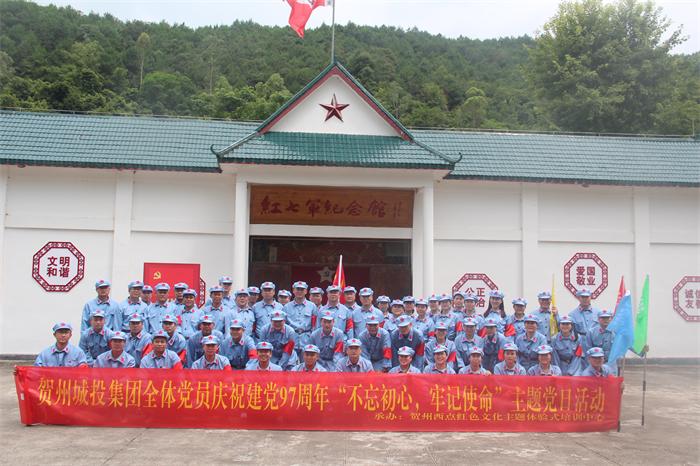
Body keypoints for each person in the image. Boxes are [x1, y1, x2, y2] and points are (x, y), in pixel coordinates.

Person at [284, 281, 317, 350]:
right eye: (297, 289)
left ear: (306, 291)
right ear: (293, 290)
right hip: (291, 339)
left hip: (307, 339)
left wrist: (312, 337)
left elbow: (315, 325)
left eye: (302, 289)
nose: (299, 291)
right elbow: (284, 324)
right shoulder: (286, 307)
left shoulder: (312, 306)